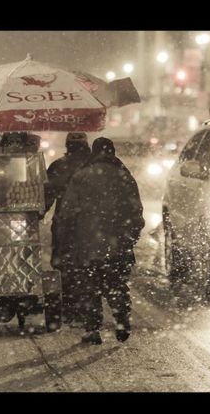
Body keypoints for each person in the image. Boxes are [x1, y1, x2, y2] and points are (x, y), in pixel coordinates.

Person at [60, 137, 144, 345]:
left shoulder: (81, 176)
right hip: (118, 244)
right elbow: (136, 210)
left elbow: (68, 211)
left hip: (87, 244)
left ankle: (92, 329)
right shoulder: (124, 176)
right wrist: (130, 236)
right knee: (116, 284)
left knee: (90, 286)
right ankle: (122, 320)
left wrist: (69, 237)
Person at [44, 132, 91, 324]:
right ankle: (86, 306)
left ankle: (69, 306)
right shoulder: (94, 166)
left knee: (64, 264)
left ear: (68, 145)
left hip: (65, 223)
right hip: (92, 225)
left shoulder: (59, 166)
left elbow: (48, 193)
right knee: (88, 264)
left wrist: (40, 212)